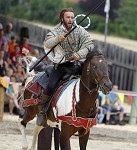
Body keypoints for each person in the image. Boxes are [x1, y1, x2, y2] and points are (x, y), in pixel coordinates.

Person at [37, 7, 94, 126]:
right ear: (62, 18)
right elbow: (47, 43)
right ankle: (42, 112)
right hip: (61, 66)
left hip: (77, 64)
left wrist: (79, 54)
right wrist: (57, 39)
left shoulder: (80, 30)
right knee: (51, 86)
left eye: (72, 17)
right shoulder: (55, 31)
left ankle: (91, 109)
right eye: (68, 17)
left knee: (91, 81)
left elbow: (89, 45)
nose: (70, 19)